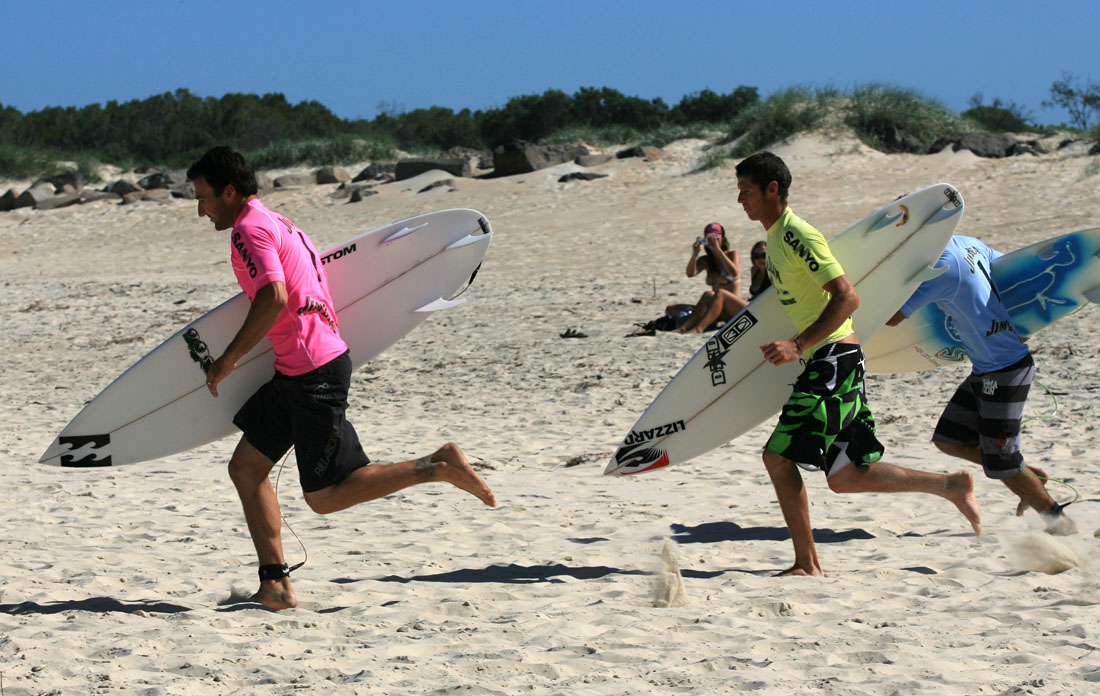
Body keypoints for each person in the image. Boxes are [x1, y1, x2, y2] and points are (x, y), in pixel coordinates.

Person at [186, 147, 496, 610]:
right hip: (298, 367)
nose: (200, 210)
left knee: (325, 497)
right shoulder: (279, 222)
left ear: (229, 192)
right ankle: (275, 585)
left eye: (203, 198)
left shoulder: (248, 230)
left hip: (313, 371)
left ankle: (437, 466)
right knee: (246, 469)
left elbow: (273, 296)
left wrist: (228, 359)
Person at [735, 151, 981, 577]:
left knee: (777, 458)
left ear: (772, 189)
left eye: (747, 190)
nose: (741, 199)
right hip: (834, 360)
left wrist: (797, 345)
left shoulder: (795, 234)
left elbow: (848, 297)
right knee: (846, 476)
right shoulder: (775, 239)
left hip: (833, 359)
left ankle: (807, 563)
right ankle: (951, 486)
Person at [887, 235, 1077, 535]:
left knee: (1002, 463)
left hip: (1005, 371)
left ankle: (1059, 523)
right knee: (949, 440)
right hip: (987, 367)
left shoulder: (938, 271)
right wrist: (1022, 322)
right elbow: (1011, 274)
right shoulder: (966, 243)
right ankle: (1027, 474)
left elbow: (891, 318)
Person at [672, 222, 749, 334]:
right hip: (721, 311)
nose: (713, 242)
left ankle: (699, 328)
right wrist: (695, 254)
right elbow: (690, 273)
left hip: (737, 309)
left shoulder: (732, 255)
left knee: (720, 293)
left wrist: (717, 250)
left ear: (723, 239)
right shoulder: (706, 260)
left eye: (716, 238)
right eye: (710, 239)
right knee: (708, 294)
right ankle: (684, 328)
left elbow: (734, 273)